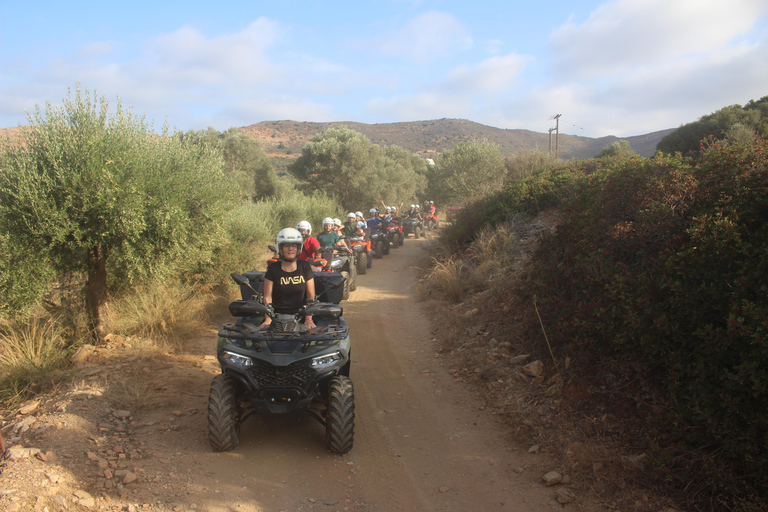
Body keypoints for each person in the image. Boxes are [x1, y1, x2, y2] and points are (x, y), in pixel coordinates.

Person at [260, 228, 316, 330]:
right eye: (286, 245)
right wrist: (268, 319)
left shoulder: (305, 266)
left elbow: (311, 295)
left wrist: (309, 318)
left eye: (294, 245)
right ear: (280, 247)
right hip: (276, 318)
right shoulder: (273, 268)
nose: (291, 249)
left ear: (299, 247)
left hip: (300, 318)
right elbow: (267, 297)